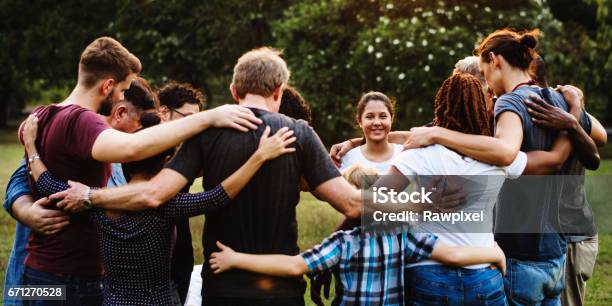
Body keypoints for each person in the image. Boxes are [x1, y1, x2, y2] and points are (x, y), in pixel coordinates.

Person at [51, 47, 361, 306]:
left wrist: (90, 196)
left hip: (222, 287)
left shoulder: (207, 133)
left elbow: (154, 194)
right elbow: (352, 205)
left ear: (234, 91)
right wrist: (407, 188)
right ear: (279, 91)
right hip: (282, 291)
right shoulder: (298, 133)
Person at [12, 36, 261, 306]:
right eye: (122, 89)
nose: (122, 96)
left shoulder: (44, 115)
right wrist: (209, 118)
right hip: (73, 280)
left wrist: (31, 151)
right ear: (108, 85)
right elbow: (133, 147)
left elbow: (50, 184)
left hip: (37, 274)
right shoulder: (83, 121)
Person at [398, 29, 600, 305]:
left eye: (484, 72)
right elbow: (570, 152)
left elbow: (505, 151)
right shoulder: (561, 101)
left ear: (494, 60)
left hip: (517, 252)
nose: (488, 89)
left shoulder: (509, 102)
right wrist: (574, 112)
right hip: (555, 252)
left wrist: (436, 135)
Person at [21, 109, 296, 305]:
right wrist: (259, 157)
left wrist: (31, 146)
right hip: (160, 300)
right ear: (166, 164)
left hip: (113, 300)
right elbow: (217, 196)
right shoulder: (166, 206)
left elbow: (46, 183)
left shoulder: (94, 201)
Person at [208, 162, 507, 306]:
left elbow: (294, 265)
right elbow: (454, 254)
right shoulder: (403, 238)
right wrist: (496, 253)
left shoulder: (343, 244)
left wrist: (236, 259)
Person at [2, 76, 158, 306]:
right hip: (41, 280)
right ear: (120, 112)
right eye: (139, 128)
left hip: (83, 281)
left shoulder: (121, 161)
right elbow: (19, 181)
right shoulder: (69, 134)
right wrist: (27, 212)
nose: (139, 138)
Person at [338, 92, 403, 174]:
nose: (377, 123)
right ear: (359, 121)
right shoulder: (346, 159)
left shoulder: (404, 155)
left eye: (383, 116)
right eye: (370, 117)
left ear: (391, 118)